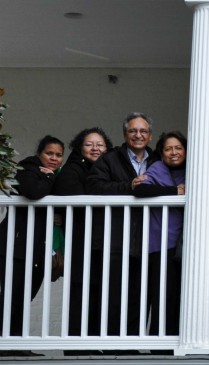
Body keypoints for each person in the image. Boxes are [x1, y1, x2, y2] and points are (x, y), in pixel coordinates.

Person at [86, 112, 157, 338]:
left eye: (143, 131)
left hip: (147, 236)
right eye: (133, 131)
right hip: (115, 236)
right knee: (113, 291)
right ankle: (111, 341)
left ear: (150, 135)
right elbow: (95, 186)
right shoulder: (110, 159)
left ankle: (132, 340)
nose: (138, 135)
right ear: (125, 134)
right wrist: (129, 186)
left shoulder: (157, 160)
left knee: (139, 291)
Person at [0, 135, 64, 345]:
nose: (54, 158)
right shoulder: (26, 169)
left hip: (37, 249)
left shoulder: (54, 175)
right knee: (11, 297)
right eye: (49, 153)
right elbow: (33, 192)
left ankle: (16, 345)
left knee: (23, 299)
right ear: (39, 154)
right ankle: (6, 344)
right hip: (16, 246)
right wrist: (48, 178)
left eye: (58, 155)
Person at [52, 127, 111, 340]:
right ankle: (78, 343)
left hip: (101, 241)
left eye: (100, 144)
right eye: (89, 144)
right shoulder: (73, 168)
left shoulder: (108, 168)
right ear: (80, 147)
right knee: (81, 291)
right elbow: (69, 196)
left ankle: (95, 341)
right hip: (81, 241)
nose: (95, 148)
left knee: (99, 292)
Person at [133, 131, 186, 336]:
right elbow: (140, 190)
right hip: (160, 243)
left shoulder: (195, 169)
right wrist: (175, 191)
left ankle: (175, 342)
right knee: (162, 294)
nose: (174, 152)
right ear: (162, 153)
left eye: (178, 148)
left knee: (179, 296)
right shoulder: (157, 168)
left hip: (187, 244)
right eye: (168, 149)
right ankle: (159, 345)